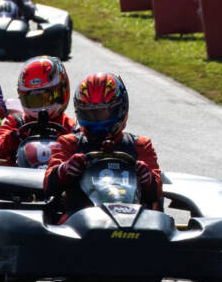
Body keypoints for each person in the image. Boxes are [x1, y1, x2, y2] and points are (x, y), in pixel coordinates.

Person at [43, 73, 162, 215]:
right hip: (79, 220)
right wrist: (65, 170)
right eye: (90, 114)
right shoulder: (69, 143)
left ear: (121, 108)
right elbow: (48, 185)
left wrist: (147, 179)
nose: (97, 120)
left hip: (133, 219)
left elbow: (157, 193)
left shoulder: (140, 145)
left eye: (102, 113)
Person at [0, 56, 77, 164]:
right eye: (33, 100)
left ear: (62, 91)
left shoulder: (70, 127)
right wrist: (16, 136)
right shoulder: (17, 122)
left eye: (45, 98)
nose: (40, 106)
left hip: (56, 177)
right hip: (19, 177)